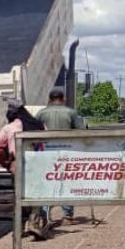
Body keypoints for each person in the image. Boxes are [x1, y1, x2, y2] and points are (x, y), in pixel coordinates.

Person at [0, 99, 46, 238]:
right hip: (36, 163)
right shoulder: (38, 125)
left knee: (18, 196)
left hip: (18, 165)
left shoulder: (9, 128)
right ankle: (34, 223)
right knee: (36, 195)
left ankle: (19, 229)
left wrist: (6, 163)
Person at [36, 88, 86, 225]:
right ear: (63, 99)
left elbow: (34, 132)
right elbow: (81, 132)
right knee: (67, 183)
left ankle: (44, 215)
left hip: (46, 153)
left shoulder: (41, 114)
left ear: (49, 99)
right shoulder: (71, 113)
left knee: (46, 183)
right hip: (67, 153)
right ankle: (67, 216)